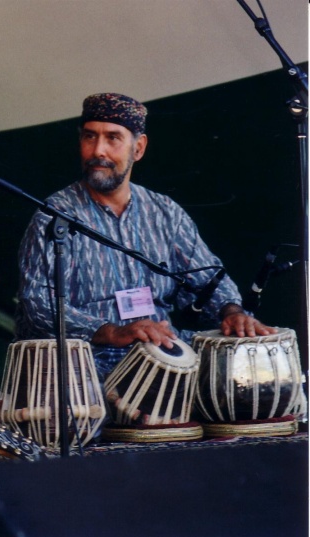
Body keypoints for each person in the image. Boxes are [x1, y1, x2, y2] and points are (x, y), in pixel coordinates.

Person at [15, 92, 275, 379]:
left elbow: (208, 280)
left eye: (113, 138)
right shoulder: (54, 216)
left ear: (138, 148)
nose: (98, 150)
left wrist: (232, 312)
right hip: (82, 372)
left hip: (163, 363)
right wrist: (111, 332)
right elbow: (37, 305)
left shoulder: (165, 213)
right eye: (90, 137)